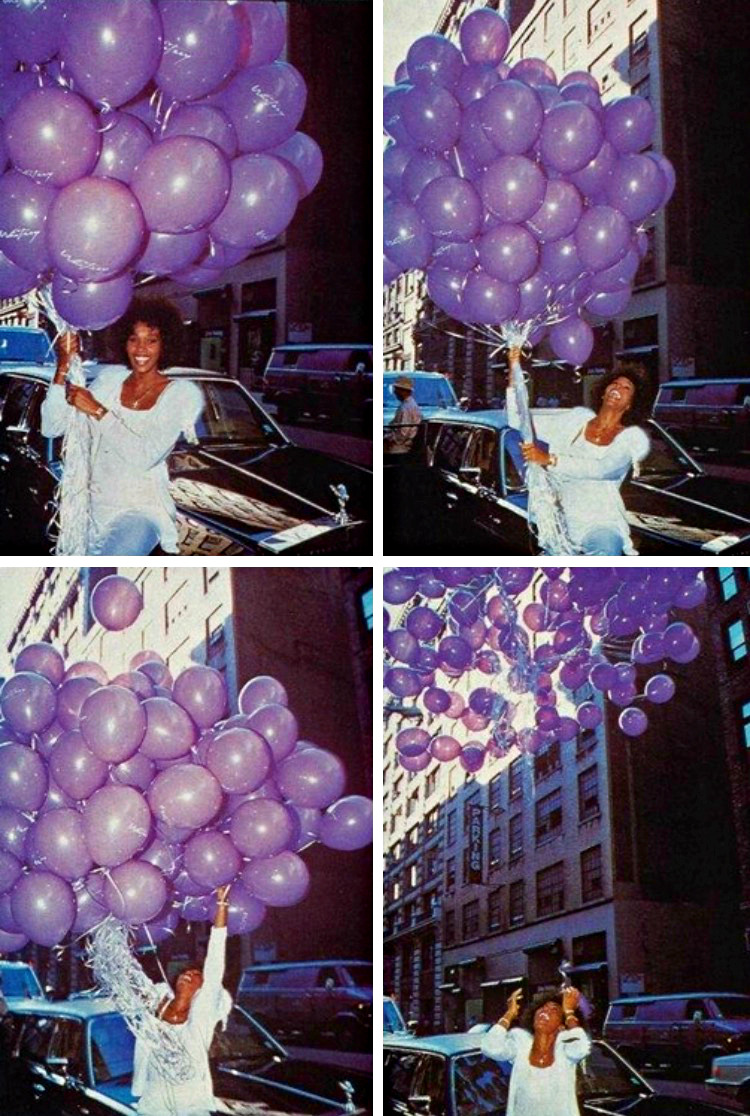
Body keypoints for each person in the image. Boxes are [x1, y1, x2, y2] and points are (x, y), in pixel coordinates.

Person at [41, 296, 204, 556]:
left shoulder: (183, 394)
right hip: (92, 514)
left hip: (140, 512)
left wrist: (97, 410)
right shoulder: (109, 380)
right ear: (123, 342)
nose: (141, 349)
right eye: (133, 339)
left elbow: (144, 456)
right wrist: (62, 367)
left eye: (152, 340)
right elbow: (51, 427)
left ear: (166, 344)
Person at [507, 350, 653, 555]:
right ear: (603, 391)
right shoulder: (574, 420)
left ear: (630, 405)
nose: (618, 388)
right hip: (564, 528)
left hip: (603, 526)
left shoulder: (632, 437)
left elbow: (601, 469)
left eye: (626, 388)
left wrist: (549, 459)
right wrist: (514, 368)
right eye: (615, 383)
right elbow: (516, 419)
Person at [132, 884, 233, 1116]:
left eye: (197, 975)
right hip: (153, 1108)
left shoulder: (202, 1016)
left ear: (203, 988)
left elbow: (216, 958)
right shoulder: (157, 1006)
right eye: (186, 972)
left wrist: (222, 905)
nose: (190, 974)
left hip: (192, 1108)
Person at [482, 986, 591, 1116]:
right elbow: (490, 1047)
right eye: (543, 1007)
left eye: (554, 1010)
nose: (545, 1010)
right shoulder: (520, 1044)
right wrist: (509, 1014)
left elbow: (582, 1047)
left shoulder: (565, 1050)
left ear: (561, 1027)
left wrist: (569, 1012)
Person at [384, 375, 422, 455]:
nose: (394, 392)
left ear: (403, 391)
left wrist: (388, 439)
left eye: (396, 390)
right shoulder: (409, 404)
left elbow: (403, 433)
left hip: (400, 446)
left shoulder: (406, 408)